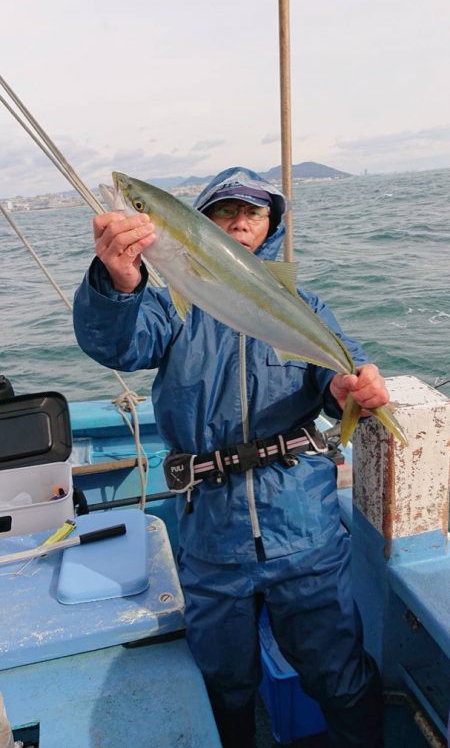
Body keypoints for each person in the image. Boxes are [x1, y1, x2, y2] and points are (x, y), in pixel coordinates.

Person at [73, 166, 388, 748]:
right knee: (225, 682)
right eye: (224, 211)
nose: (241, 221)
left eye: (255, 212)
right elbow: (115, 344)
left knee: (339, 675)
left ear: (270, 226)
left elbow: (338, 373)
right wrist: (118, 283)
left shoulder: (304, 302)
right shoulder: (171, 305)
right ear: (197, 225)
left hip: (304, 527)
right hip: (211, 531)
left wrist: (353, 386)